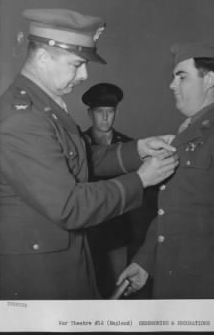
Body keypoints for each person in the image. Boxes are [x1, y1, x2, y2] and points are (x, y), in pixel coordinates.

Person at [0, 8, 178, 300]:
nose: (84, 75)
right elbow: (69, 205)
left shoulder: (44, 105)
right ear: (43, 58)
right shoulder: (23, 120)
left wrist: (138, 148)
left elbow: (77, 160)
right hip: (39, 276)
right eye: (77, 64)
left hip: (60, 256)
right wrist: (140, 180)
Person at [117, 42, 214, 299]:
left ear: (209, 80)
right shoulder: (190, 133)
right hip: (172, 282)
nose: (172, 85)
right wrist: (145, 262)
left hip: (205, 292)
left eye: (181, 77)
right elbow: (173, 210)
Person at [82, 83, 133, 298]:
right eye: (99, 112)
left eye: (110, 112)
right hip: (88, 229)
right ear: (89, 113)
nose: (105, 118)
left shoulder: (130, 146)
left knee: (118, 287)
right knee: (88, 288)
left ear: (116, 113)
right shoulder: (79, 145)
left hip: (117, 229)